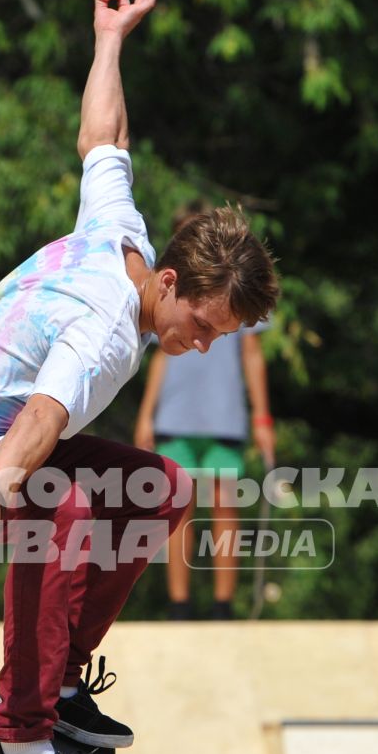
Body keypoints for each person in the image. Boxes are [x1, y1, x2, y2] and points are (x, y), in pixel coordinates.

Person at [0, 0, 280, 754]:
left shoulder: (123, 230)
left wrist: (109, 41)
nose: (200, 344)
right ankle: (19, 743)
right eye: (201, 326)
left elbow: (102, 136)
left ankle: (60, 684)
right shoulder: (105, 330)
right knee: (56, 508)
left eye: (218, 339)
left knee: (163, 488)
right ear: (169, 283)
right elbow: (40, 421)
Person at [134, 203, 275, 620]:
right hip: (176, 411)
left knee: (224, 503)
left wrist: (262, 416)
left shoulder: (234, 288)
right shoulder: (169, 296)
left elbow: (252, 354)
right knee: (176, 507)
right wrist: (146, 414)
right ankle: (179, 604)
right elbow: (159, 356)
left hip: (223, 409)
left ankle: (222, 605)